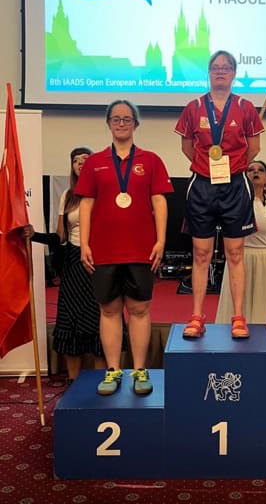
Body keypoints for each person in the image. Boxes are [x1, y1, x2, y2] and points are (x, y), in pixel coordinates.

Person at [76, 100, 174, 396]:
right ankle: (113, 370)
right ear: (108, 123)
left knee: (139, 309)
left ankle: (140, 369)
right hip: (104, 249)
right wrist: (84, 243)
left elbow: (159, 202)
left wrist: (161, 240)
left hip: (141, 249)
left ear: (136, 124)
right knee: (109, 310)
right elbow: (86, 204)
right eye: (116, 119)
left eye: (127, 119)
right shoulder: (94, 162)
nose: (121, 123)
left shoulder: (151, 160)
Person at [175, 50, 264, 339]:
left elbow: (254, 147)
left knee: (235, 253)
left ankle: (238, 317)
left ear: (234, 73)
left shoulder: (245, 107)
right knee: (201, 253)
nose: (221, 71)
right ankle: (196, 316)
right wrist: (208, 167)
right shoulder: (193, 107)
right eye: (216, 67)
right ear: (209, 73)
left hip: (235, 185)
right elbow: (186, 147)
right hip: (202, 185)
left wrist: (232, 167)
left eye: (226, 67)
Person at [24, 147, 106, 383]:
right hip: (73, 263)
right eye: (75, 160)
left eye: (85, 159)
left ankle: (104, 381)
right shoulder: (68, 195)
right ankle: (73, 382)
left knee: (100, 319)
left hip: (99, 261)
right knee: (70, 319)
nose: (80, 163)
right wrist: (34, 235)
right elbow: (60, 237)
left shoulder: (103, 192)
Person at [215, 160, 266, 367]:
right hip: (241, 260)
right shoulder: (234, 204)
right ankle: (229, 358)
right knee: (237, 309)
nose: (256, 173)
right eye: (250, 170)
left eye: (260, 170)